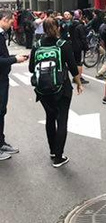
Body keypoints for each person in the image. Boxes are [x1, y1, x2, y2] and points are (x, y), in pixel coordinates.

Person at [29, 17, 83, 168]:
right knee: (62, 120)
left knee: (50, 118)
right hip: (62, 88)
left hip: (43, 90)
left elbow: (31, 68)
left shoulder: (37, 45)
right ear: (58, 28)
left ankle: (53, 151)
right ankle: (59, 157)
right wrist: (78, 83)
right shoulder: (63, 45)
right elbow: (73, 67)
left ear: (44, 29)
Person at [0, 10, 29, 161]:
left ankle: (1, 142)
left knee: (2, 111)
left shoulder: (2, 35)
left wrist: (14, 58)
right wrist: (14, 60)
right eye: (11, 23)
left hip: (3, 78)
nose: (12, 26)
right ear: (4, 19)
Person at [71, 10, 89, 84]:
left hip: (73, 45)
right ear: (80, 15)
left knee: (75, 61)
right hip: (79, 46)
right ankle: (79, 78)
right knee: (79, 62)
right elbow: (83, 37)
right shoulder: (80, 26)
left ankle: (75, 77)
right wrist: (86, 47)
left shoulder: (71, 25)